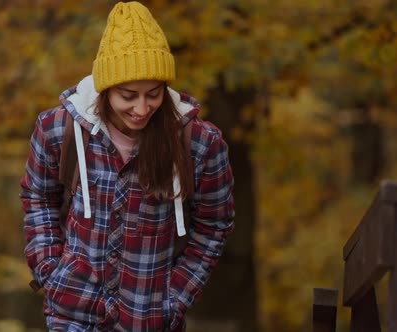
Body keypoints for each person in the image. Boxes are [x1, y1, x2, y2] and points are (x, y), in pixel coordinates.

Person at [19, 2, 235, 331]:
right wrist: (49, 268)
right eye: (128, 95)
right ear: (105, 89)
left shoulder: (200, 143)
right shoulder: (57, 129)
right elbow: (37, 197)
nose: (141, 108)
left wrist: (176, 295)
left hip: (150, 319)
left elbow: (214, 225)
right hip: (72, 315)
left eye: (154, 94)